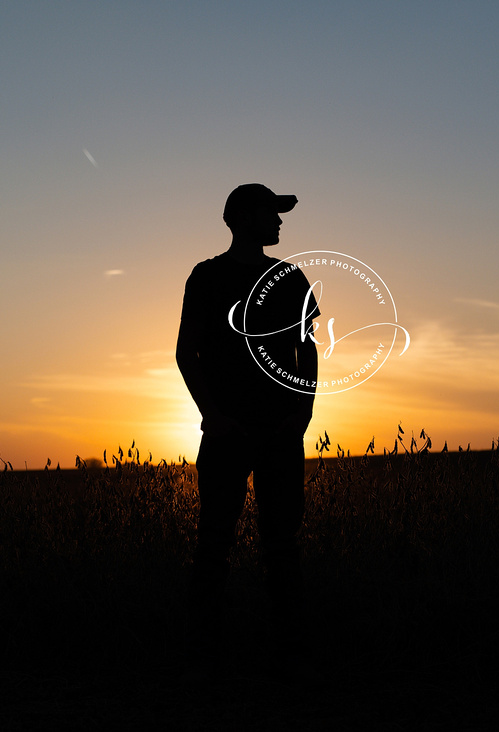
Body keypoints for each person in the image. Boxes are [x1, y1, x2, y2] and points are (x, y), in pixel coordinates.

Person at [176, 183, 319, 679]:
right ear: (243, 219)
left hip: (280, 434)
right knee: (214, 543)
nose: (279, 222)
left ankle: (292, 655)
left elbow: (309, 352)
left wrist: (299, 418)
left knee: (282, 546)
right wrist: (213, 416)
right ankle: (202, 658)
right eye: (270, 213)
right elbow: (184, 353)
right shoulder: (207, 277)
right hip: (226, 436)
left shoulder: (289, 278)